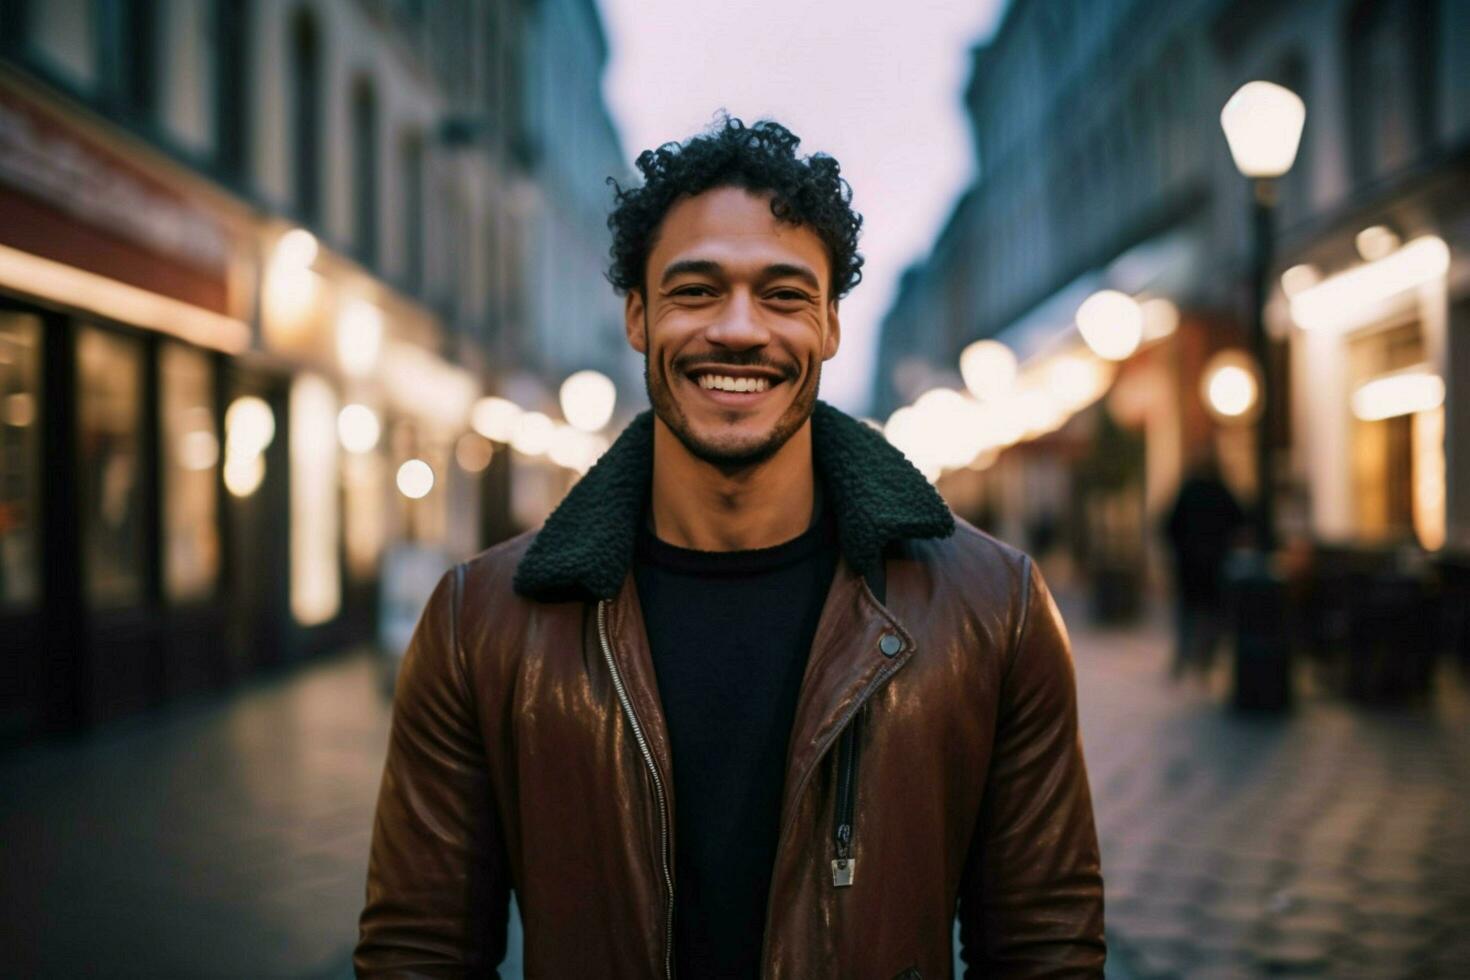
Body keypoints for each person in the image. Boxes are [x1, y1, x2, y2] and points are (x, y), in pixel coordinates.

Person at [355, 117, 1105, 978]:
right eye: (697, 290)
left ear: (829, 325)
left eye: (784, 295)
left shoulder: (993, 609)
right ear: (638, 316)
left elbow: (1046, 946)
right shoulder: (479, 623)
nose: (741, 330)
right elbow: (418, 952)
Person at [1162, 454, 1245, 681]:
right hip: (1213, 565)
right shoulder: (1220, 491)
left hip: (1190, 565)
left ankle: (1183, 658)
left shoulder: (1189, 491)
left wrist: (1180, 551)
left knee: (1188, 613)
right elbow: (1241, 518)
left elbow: (1168, 525)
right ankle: (1203, 661)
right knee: (1212, 614)